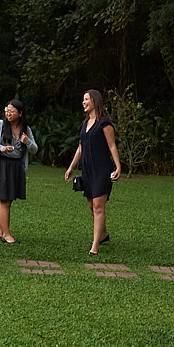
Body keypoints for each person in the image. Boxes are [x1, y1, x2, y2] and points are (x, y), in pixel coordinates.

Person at [64, 89, 122, 255]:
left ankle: (95, 246)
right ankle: (103, 234)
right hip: (87, 170)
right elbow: (81, 147)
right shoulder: (84, 124)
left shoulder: (104, 123)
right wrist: (71, 167)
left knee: (98, 206)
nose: (83, 102)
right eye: (83, 100)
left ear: (95, 102)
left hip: (102, 169)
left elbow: (112, 145)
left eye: (86, 99)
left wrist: (118, 167)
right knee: (92, 205)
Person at [0, 99, 38, 244]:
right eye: (7, 110)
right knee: (5, 201)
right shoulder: (0, 125)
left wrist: (27, 142)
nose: (8, 113)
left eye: (12, 111)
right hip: (2, 166)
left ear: (20, 113)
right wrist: (2, 148)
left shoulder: (25, 129)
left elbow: (34, 149)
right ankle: (6, 235)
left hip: (17, 167)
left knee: (7, 200)